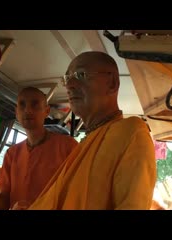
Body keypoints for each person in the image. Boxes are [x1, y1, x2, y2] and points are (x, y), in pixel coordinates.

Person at [28, 51, 157, 210]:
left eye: (81, 75)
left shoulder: (131, 132)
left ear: (112, 84)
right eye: (68, 78)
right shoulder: (85, 143)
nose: (69, 85)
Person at [0, 87, 78, 209]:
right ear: (16, 112)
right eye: (22, 105)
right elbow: (3, 203)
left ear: (46, 111)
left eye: (35, 104)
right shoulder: (12, 153)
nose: (28, 110)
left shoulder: (68, 147)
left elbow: (79, 195)